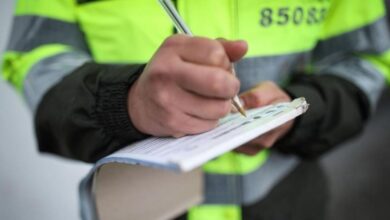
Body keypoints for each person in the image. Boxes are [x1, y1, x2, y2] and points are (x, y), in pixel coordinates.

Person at [2, 0, 390, 219]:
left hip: (288, 205)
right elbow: (34, 60)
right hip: (136, 210)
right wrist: (126, 102)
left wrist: (298, 113)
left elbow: (367, 61)